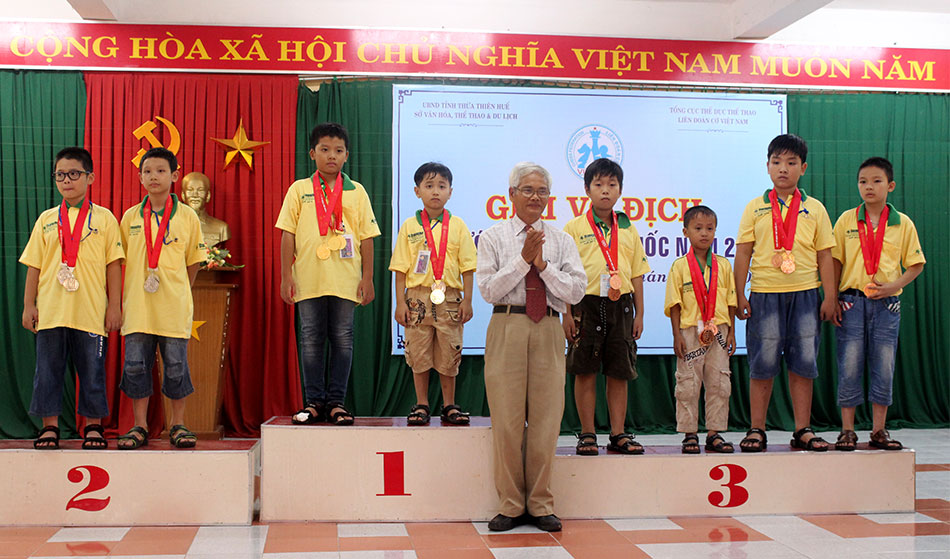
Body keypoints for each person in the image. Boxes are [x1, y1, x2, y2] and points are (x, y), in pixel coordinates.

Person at [476, 162, 586, 532]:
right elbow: (488, 289)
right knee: (507, 420)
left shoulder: (562, 240)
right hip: (507, 323)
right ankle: (510, 504)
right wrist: (523, 261)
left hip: (549, 328)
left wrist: (544, 266)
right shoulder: (492, 237)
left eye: (542, 191)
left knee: (546, 420)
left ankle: (540, 504)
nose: (535, 197)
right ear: (511, 194)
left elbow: (576, 291)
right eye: (527, 190)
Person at [734, 134, 836, 453]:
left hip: (806, 294)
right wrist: (739, 294)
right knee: (762, 363)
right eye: (777, 162)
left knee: (803, 363)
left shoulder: (815, 208)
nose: (783, 169)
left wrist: (830, 296)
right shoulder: (755, 208)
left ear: (803, 168)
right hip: (764, 294)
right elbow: (743, 253)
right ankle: (757, 428)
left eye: (791, 163)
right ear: (767, 166)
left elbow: (825, 255)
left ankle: (802, 428)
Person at [19, 147, 123, 450]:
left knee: (92, 371)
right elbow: (34, 265)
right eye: (60, 175)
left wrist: (114, 306)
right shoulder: (47, 219)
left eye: (74, 174)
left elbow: (114, 265)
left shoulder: (105, 219)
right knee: (47, 371)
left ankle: (93, 427)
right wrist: (28, 305)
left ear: (90, 177)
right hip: (51, 311)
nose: (67, 180)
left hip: (91, 311)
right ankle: (49, 428)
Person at [277, 123, 380, 426]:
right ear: (312, 153)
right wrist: (286, 276)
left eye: (338, 150)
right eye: (324, 149)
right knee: (310, 339)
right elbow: (287, 234)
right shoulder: (299, 189)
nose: (331, 156)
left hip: (346, 279)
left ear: (347, 155)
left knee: (343, 339)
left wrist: (368, 278)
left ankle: (336, 402)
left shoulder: (357, 191)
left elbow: (367, 237)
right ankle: (313, 402)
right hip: (307, 278)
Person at [831, 157, 925, 451]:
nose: (868, 187)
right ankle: (847, 430)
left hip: (887, 305)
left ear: (891, 185)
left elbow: (916, 264)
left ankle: (878, 430)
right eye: (863, 181)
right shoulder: (847, 220)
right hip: (851, 302)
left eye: (876, 181)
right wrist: (832, 298)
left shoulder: (902, 223)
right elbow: (835, 261)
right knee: (849, 364)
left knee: (884, 365)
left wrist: (894, 286)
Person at [117, 147, 206, 449]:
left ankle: (177, 424)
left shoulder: (188, 217)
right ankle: (140, 425)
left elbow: (194, 260)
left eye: (160, 171)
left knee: (176, 367)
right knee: (135, 366)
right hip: (138, 309)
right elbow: (119, 260)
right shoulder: (130, 217)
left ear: (174, 175)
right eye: (147, 171)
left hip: (173, 308)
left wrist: (181, 290)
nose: (153, 176)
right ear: (139, 176)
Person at [562, 158, 648, 456]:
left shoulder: (628, 228)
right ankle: (587, 433)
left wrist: (640, 313)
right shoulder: (574, 227)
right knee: (584, 370)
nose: (605, 190)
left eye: (612, 184)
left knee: (619, 371)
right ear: (587, 189)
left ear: (620, 190)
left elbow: (637, 273)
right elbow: (565, 274)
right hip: (584, 304)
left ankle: (618, 433)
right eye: (598, 184)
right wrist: (566, 313)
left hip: (621, 305)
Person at [390, 162, 477, 426]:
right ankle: (422, 404)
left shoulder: (458, 226)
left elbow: (468, 267)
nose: (435, 191)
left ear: (450, 191)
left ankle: (449, 404)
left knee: (449, 351)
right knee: (418, 352)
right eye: (429, 186)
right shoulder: (409, 226)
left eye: (441, 186)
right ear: (417, 191)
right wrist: (400, 303)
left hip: (449, 298)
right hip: (417, 298)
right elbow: (400, 269)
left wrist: (468, 300)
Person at [664, 205, 737, 454]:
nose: (704, 233)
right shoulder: (679, 266)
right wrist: (676, 335)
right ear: (685, 232)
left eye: (709, 228)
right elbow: (674, 304)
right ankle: (690, 434)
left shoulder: (723, 266)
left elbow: (731, 302)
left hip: (719, 331)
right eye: (698, 228)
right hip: (689, 331)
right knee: (688, 382)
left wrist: (732, 333)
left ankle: (715, 433)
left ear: (715, 231)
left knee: (719, 381)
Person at [181, 171, 231, 248]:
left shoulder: (222, 228)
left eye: (200, 190)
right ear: (183, 195)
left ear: (208, 196)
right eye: (190, 190)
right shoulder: (171, 226)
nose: (195, 195)